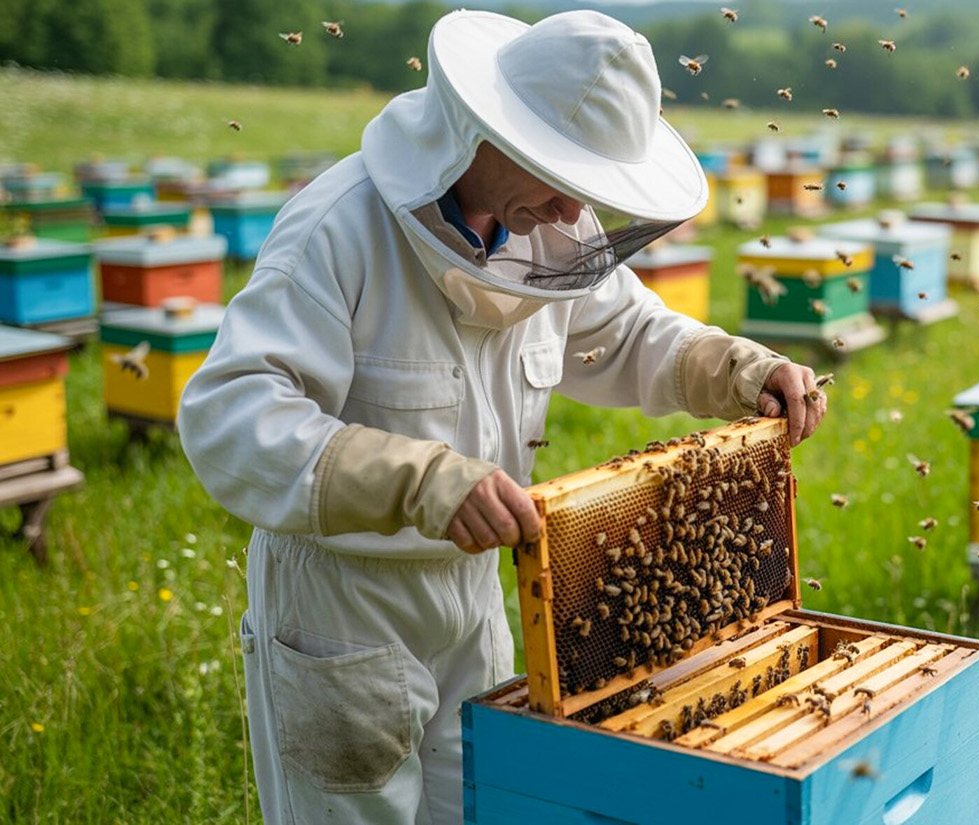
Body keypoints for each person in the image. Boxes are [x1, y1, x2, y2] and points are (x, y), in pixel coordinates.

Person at [178, 9, 826, 824]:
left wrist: (740, 368)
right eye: (558, 178)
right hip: (342, 608)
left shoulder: (553, 237)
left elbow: (629, 332)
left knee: (482, 810)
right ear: (488, 131)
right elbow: (231, 416)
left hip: (475, 596)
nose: (568, 212)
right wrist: (420, 480)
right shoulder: (339, 229)